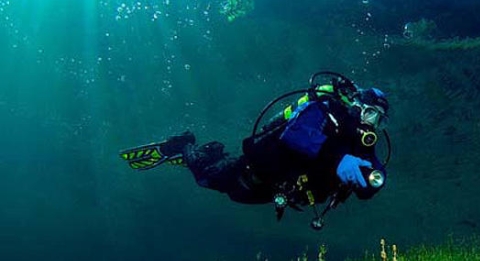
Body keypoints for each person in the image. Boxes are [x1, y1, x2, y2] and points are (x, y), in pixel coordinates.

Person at [119, 72, 390, 229]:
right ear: (355, 104)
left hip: (279, 189)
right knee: (207, 179)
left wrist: (376, 180)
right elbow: (295, 135)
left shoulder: (363, 141)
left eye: (378, 118)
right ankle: (184, 144)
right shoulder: (323, 110)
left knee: (235, 195)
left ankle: (213, 151)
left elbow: (371, 176)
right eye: (368, 112)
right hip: (255, 172)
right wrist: (338, 158)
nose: (371, 122)